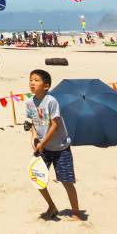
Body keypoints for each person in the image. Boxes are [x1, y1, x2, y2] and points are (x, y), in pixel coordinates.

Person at [24, 69, 82, 221]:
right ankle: (52, 206)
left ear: (46, 86)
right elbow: (32, 124)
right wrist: (35, 139)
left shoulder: (51, 101)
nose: (32, 83)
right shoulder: (29, 103)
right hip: (43, 148)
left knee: (66, 181)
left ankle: (76, 211)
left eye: (36, 80)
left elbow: (54, 125)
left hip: (61, 147)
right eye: (31, 79)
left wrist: (43, 142)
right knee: (37, 178)